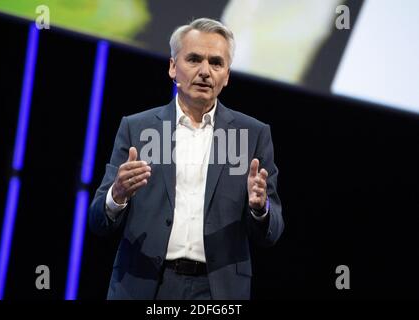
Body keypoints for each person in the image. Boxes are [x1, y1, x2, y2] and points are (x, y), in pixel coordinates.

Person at [88, 17, 283, 300]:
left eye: (216, 63)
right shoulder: (138, 128)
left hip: (218, 291)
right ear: (172, 67)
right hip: (143, 285)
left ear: (226, 75)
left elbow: (272, 232)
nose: (205, 71)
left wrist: (260, 208)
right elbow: (98, 221)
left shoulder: (253, 134)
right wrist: (116, 195)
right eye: (194, 59)